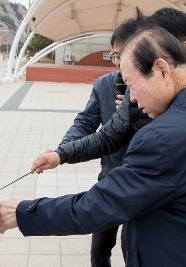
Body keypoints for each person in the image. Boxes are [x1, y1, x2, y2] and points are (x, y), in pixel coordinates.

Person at [0, 27, 186, 266]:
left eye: (130, 84)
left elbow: (96, 207)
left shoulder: (165, 137)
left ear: (162, 70)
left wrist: (22, 212)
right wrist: (62, 153)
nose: (131, 100)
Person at [31, 8, 186, 174]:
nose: (132, 95)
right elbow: (107, 136)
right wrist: (61, 154)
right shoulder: (133, 93)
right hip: (134, 193)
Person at [49, 19, 144, 266]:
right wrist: (63, 149)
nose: (119, 63)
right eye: (115, 56)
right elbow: (85, 122)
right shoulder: (105, 84)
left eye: (125, 55)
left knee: (135, 249)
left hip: (145, 183)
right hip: (111, 177)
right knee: (99, 248)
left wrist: (136, 112)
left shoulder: (156, 89)